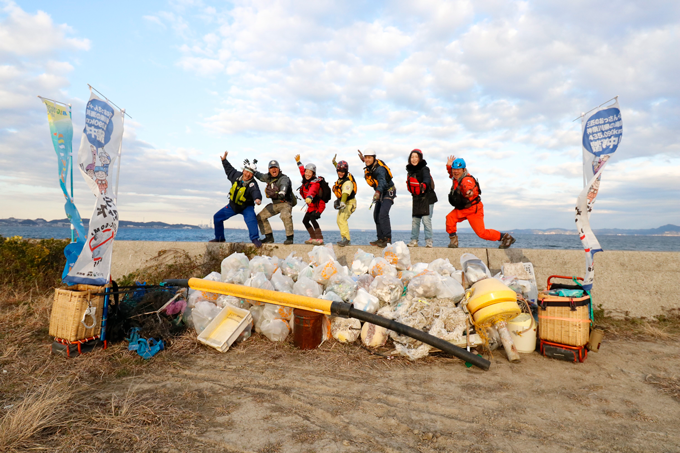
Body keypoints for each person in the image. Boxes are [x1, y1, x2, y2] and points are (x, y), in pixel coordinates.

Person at [445, 156, 515, 249]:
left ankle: (505, 237)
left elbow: (469, 186)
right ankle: (454, 241)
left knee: (481, 233)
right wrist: (449, 166)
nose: (456, 171)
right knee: (450, 218)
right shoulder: (456, 177)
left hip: (474, 209)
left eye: (458, 169)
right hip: (463, 208)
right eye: (454, 169)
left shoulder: (467, 179)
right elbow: (451, 173)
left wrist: (469, 192)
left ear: (464, 170)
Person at [210, 151, 262, 247]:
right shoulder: (236, 175)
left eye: (251, 173)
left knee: (251, 219)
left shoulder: (253, 183)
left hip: (246, 207)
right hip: (233, 206)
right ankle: (220, 238)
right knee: (217, 217)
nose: (248, 174)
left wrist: (257, 199)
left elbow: (256, 192)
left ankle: (255, 238)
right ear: (243, 171)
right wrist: (224, 160)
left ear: (253, 175)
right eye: (246, 171)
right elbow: (229, 169)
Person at [357, 149, 396, 247]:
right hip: (380, 192)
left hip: (388, 191)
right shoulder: (371, 166)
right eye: (366, 158)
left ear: (374, 158)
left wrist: (377, 191)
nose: (367, 160)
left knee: (383, 214)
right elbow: (370, 165)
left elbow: (382, 181)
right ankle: (380, 239)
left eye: (369, 157)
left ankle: (387, 239)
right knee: (376, 215)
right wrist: (364, 160)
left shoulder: (380, 169)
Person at [254, 160, 295, 245]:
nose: (274, 170)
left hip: (285, 203)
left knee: (285, 215)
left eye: (275, 168)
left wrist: (282, 192)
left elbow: (285, 184)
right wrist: (254, 171)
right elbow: (260, 176)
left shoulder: (284, 178)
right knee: (260, 217)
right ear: (269, 170)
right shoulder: (268, 177)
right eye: (271, 168)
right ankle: (269, 237)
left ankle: (289, 238)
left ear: (279, 169)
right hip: (275, 204)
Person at [405, 149, 437, 248]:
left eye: (416, 157)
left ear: (420, 158)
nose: (414, 159)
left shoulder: (425, 169)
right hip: (417, 198)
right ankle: (414, 240)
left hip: (428, 197)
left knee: (426, 220)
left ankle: (429, 241)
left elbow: (427, 178)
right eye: (412, 157)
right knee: (415, 221)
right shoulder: (409, 171)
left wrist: (424, 184)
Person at [295, 154, 326, 245]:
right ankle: (313, 238)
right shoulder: (306, 179)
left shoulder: (315, 183)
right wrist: (298, 162)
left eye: (310, 172)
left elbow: (312, 191)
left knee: (312, 219)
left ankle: (319, 238)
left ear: (313, 174)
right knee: (305, 221)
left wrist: (309, 197)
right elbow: (302, 171)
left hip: (318, 206)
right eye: (306, 172)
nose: (307, 174)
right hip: (311, 206)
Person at [331, 155, 357, 247]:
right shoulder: (341, 177)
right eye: (339, 171)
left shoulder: (347, 182)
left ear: (345, 172)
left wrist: (342, 202)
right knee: (339, 220)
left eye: (342, 171)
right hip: (345, 202)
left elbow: (345, 193)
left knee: (342, 219)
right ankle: (344, 238)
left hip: (349, 203)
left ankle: (346, 240)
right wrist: (334, 163)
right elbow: (339, 168)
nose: (340, 173)